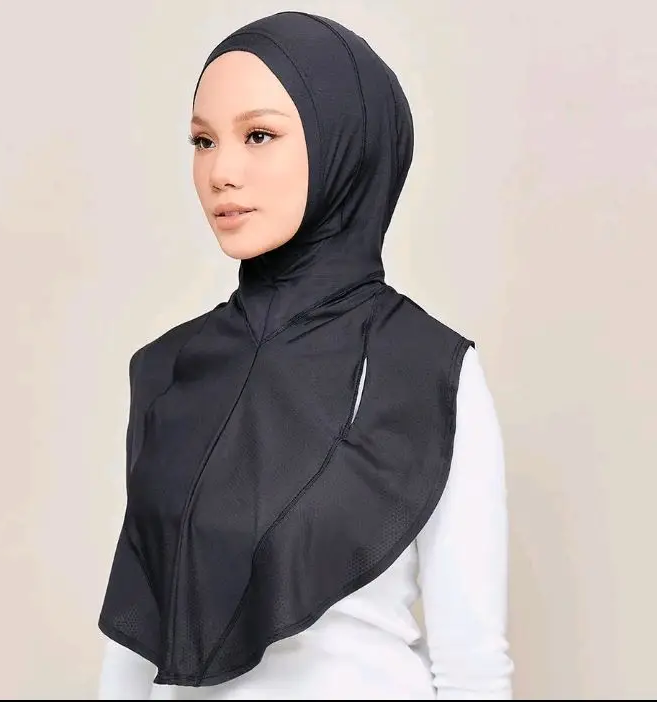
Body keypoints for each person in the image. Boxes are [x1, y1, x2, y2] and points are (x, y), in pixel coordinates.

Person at [97, 11, 514, 700]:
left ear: (343, 142)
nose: (221, 172)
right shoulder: (167, 369)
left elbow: (472, 666)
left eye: (258, 135)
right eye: (203, 141)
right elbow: (140, 638)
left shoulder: (427, 370)